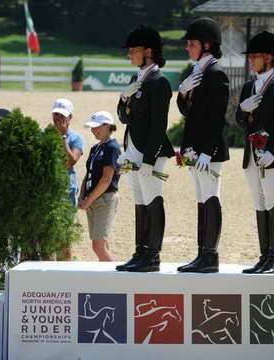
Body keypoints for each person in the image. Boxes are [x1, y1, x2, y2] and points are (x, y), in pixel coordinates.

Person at [236, 31, 274, 274]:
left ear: (270, 57)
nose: (250, 60)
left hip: (273, 156)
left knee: (273, 201)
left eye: (255, 56)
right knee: (259, 203)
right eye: (250, 56)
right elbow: (241, 122)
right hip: (252, 155)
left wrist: (273, 151)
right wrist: (242, 109)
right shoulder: (249, 86)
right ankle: (264, 256)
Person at [116, 26, 175, 272]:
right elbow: (122, 118)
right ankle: (140, 252)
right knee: (140, 202)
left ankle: (153, 256)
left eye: (134, 50)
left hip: (150, 152)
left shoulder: (159, 81)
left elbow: (159, 124)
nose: (130, 55)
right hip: (132, 149)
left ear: (148, 51)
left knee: (152, 200)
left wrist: (149, 159)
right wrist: (124, 98)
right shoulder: (135, 79)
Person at [176, 18, 230, 273]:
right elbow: (190, 113)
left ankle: (211, 256)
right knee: (201, 199)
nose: (188, 47)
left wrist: (208, 151)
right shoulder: (197, 72)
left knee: (210, 197)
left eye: (192, 43)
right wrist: (183, 93)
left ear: (207, 44)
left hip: (209, 150)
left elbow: (217, 117)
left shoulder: (216, 73)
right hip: (196, 148)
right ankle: (202, 254)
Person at [78, 111, 121, 262]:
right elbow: (88, 174)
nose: (93, 130)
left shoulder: (112, 147)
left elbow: (106, 179)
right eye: (92, 127)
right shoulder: (95, 148)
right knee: (102, 244)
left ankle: (120, 283)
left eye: (97, 127)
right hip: (92, 198)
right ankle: (107, 281)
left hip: (104, 199)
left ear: (108, 126)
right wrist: (82, 195)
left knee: (98, 246)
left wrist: (88, 200)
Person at [51, 98, 84, 260]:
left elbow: (70, 161)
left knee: (63, 236)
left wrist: (63, 137)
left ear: (70, 117)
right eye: (56, 114)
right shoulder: (44, 135)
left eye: (62, 115)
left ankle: (64, 275)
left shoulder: (76, 139)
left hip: (66, 191)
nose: (58, 118)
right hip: (47, 190)